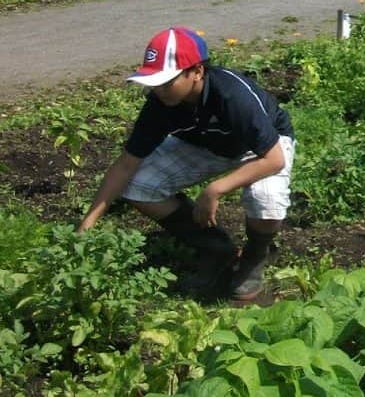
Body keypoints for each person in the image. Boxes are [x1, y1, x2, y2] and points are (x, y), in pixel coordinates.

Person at [77, 28, 294, 301]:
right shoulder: (160, 104)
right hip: (207, 144)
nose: (159, 89)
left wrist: (215, 189)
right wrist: (87, 224)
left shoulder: (231, 95)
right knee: (138, 185)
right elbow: (125, 165)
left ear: (197, 72)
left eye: (167, 81)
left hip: (261, 147)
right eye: (154, 82)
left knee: (267, 199)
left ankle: (254, 256)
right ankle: (216, 247)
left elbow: (274, 159)